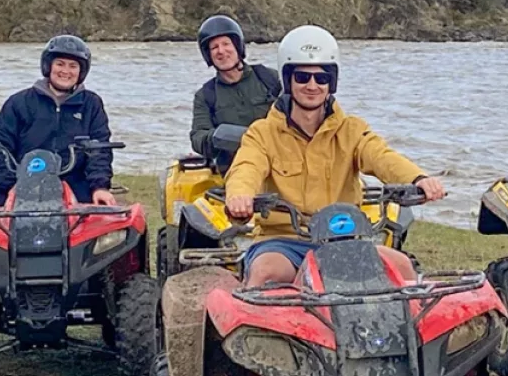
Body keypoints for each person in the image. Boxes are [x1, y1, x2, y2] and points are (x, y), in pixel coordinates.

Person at [223, 25, 448, 287]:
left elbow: (381, 156)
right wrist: (239, 195)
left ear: (332, 82)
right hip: (284, 243)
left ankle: (406, 328)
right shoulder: (262, 133)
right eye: (302, 77)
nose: (312, 85)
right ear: (288, 79)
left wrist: (419, 178)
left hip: (346, 240)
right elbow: (246, 166)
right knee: (265, 274)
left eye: (321, 78)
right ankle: (259, 328)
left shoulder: (352, 129)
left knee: (402, 268)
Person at [0, 35, 117, 208]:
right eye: (60, 64)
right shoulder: (19, 102)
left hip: (74, 181)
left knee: (105, 222)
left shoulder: (91, 104)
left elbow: (100, 149)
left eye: (73, 66)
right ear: (48, 66)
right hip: (20, 180)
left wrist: (100, 186)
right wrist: (8, 183)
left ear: (81, 72)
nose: (66, 71)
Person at [189, 15, 281, 159]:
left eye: (226, 44)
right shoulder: (205, 95)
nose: (221, 51)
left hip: (277, 159)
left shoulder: (269, 78)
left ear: (237, 46)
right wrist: (220, 137)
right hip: (235, 166)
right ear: (208, 55)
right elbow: (198, 136)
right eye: (214, 47)